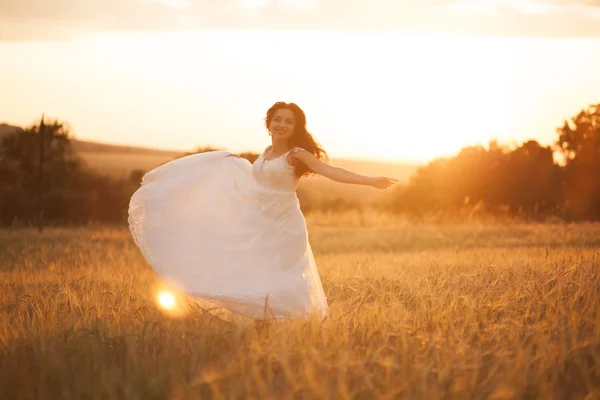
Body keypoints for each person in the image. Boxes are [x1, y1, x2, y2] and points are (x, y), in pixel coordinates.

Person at [128, 101, 397, 320]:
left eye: (288, 121)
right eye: (277, 119)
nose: (282, 124)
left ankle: (280, 325)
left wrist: (371, 181)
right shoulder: (266, 152)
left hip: (284, 225)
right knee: (252, 272)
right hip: (257, 221)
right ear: (268, 124)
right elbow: (257, 181)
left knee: (278, 275)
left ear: (295, 127)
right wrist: (229, 165)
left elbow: (331, 171)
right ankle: (261, 326)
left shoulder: (297, 154)